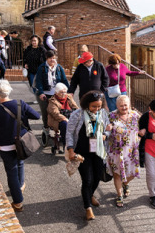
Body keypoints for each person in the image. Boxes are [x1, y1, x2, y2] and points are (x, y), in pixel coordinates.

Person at [0, 79, 40, 212]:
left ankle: (18, 202)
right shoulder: (20, 104)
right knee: (20, 162)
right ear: (9, 91)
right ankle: (20, 186)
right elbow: (36, 116)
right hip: (21, 142)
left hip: (4, 146)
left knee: (11, 171)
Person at [66, 91, 112, 220]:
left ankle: (90, 194)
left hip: (98, 150)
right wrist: (70, 150)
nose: (97, 109)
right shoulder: (77, 114)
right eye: (94, 106)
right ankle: (87, 207)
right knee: (87, 179)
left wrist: (105, 135)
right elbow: (69, 133)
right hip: (82, 152)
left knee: (97, 176)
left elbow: (108, 129)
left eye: (99, 106)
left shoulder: (103, 113)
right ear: (87, 105)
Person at [107, 95, 141, 207]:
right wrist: (108, 129)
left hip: (132, 151)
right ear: (117, 106)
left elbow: (146, 123)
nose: (124, 107)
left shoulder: (135, 115)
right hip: (117, 151)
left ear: (129, 104)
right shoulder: (112, 115)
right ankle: (119, 195)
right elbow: (104, 128)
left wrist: (143, 131)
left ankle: (125, 183)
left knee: (133, 173)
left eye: (126, 105)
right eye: (121, 105)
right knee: (117, 174)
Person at [34, 50, 69, 130]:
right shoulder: (42, 68)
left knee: (57, 111)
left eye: (54, 58)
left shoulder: (59, 68)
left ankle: (56, 126)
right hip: (45, 94)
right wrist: (41, 93)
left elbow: (64, 80)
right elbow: (38, 82)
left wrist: (68, 91)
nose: (52, 60)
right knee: (46, 112)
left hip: (56, 94)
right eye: (50, 58)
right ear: (46, 58)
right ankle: (46, 127)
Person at [47, 82, 78, 153]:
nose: (64, 94)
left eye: (65, 92)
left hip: (69, 116)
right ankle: (66, 144)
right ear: (56, 92)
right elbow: (55, 113)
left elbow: (75, 107)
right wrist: (64, 118)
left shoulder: (68, 97)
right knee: (65, 124)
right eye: (61, 92)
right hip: (57, 120)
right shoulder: (52, 101)